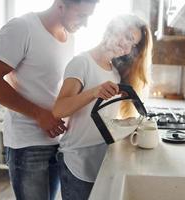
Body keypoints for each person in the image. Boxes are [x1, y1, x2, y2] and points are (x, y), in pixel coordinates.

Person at [0, 0, 98, 199]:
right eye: (81, 15)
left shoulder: (69, 37)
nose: (85, 23)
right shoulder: (22, 28)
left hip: (57, 141)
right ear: (61, 5)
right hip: (27, 144)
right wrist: (39, 114)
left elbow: (53, 88)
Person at [52, 14, 153, 200]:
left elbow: (101, 118)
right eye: (127, 37)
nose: (127, 46)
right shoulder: (81, 62)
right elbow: (59, 109)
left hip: (100, 160)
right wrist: (93, 92)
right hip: (77, 161)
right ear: (112, 28)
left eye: (133, 44)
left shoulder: (114, 72)